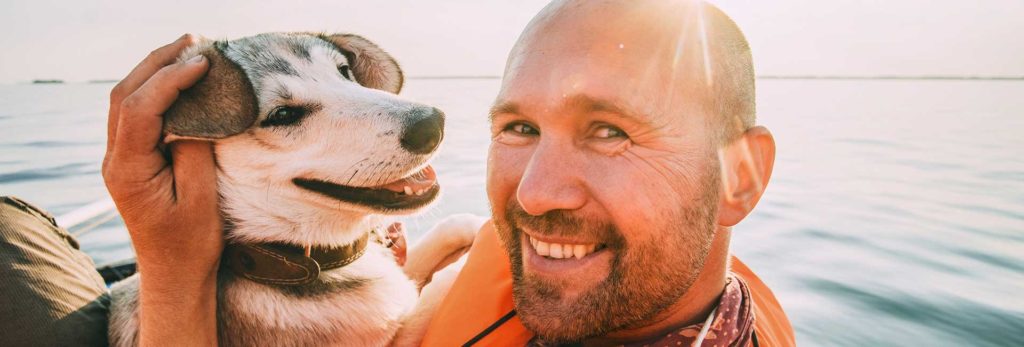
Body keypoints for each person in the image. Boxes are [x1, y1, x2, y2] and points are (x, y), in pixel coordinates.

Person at [0, 0, 793, 346]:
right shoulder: (662, 273)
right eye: (517, 126)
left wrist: (173, 269)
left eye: (612, 132)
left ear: (739, 178)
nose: (535, 192)